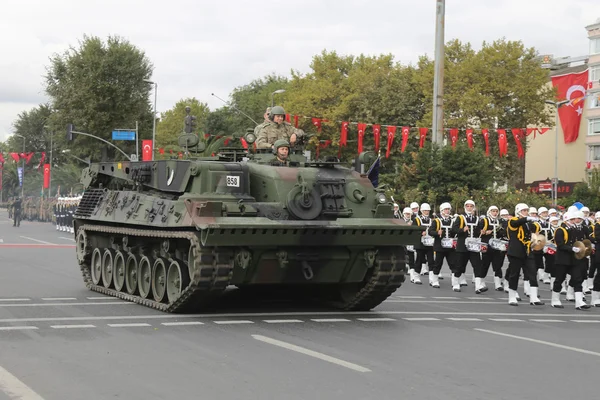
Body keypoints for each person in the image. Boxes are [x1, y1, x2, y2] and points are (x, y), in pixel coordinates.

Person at [506, 203, 544, 306]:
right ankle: (512, 296)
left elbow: (536, 230)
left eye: (527, 210)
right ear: (518, 211)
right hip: (515, 251)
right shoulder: (513, 220)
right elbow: (516, 224)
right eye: (524, 210)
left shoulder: (528, 223)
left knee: (532, 272)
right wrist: (528, 218)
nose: (526, 212)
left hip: (527, 251)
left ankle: (534, 297)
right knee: (515, 274)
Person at [451, 200, 484, 293]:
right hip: (462, 245)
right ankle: (455, 283)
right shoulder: (460, 218)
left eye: (471, 206)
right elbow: (453, 230)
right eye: (468, 206)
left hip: (474, 246)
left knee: (477, 265)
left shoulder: (477, 219)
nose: (469, 208)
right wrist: (462, 229)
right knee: (459, 265)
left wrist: (481, 232)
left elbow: (478, 231)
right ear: (465, 207)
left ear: (473, 207)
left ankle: (478, 286)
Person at [427, 202, 456, 289]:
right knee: (438, 264)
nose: (447, 211)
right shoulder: (436, 221)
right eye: (446, 209)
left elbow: (455, 231)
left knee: (453, 264)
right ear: (442, 211)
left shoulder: (453, 221)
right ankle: (435, 281)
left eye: (448, 209)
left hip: (450, 247)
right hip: (440, 246)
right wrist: (437, 233)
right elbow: (430, 231)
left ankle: (455, 283)